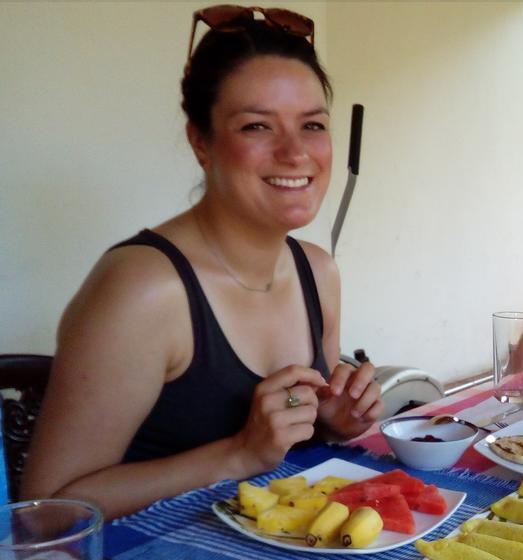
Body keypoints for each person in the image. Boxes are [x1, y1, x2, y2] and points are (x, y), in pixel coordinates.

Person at [22, 8, 384, 519]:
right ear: (201, 142)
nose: (295, 152)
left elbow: (301, 436)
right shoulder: (143, 288)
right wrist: (240, 452)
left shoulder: (318, 272)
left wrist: (333, 421)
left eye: (313, 125)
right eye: (257, 125)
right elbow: (46, 511)